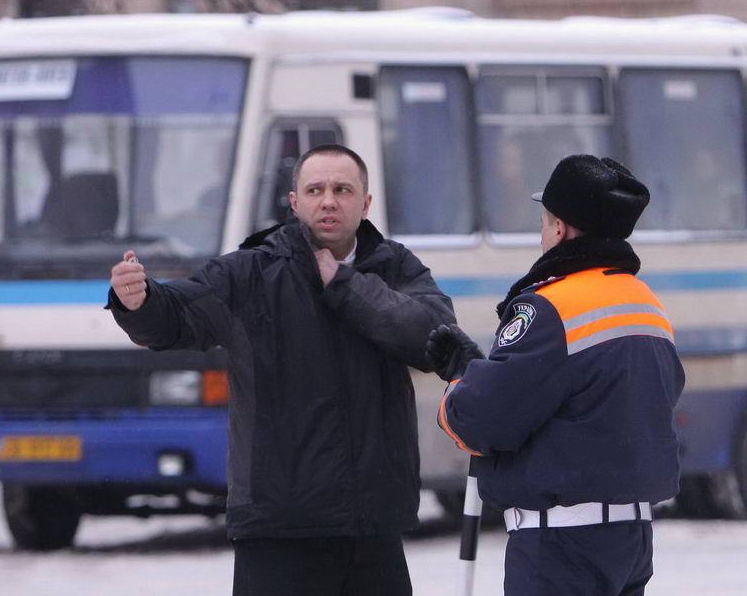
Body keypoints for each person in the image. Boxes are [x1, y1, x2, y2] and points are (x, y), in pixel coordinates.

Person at [108, 144, 455, 596]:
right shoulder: (252, 271)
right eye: (315, 190)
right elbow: (177, 316)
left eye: (342, 190)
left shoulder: (395, 266)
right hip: (278, 528)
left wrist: (344, 284)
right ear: (294, 202)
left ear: (366, 203)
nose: (328, 201)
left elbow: (434, 338)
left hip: (372, 526)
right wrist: (139, 302)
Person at [426, 154, 685, 596]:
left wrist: (461, 379)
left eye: (544, 222)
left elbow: (484, 421)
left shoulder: (550, 307)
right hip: (632, 542)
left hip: (560, 549)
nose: (542, 233)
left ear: (560, 228)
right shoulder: (646, 304)